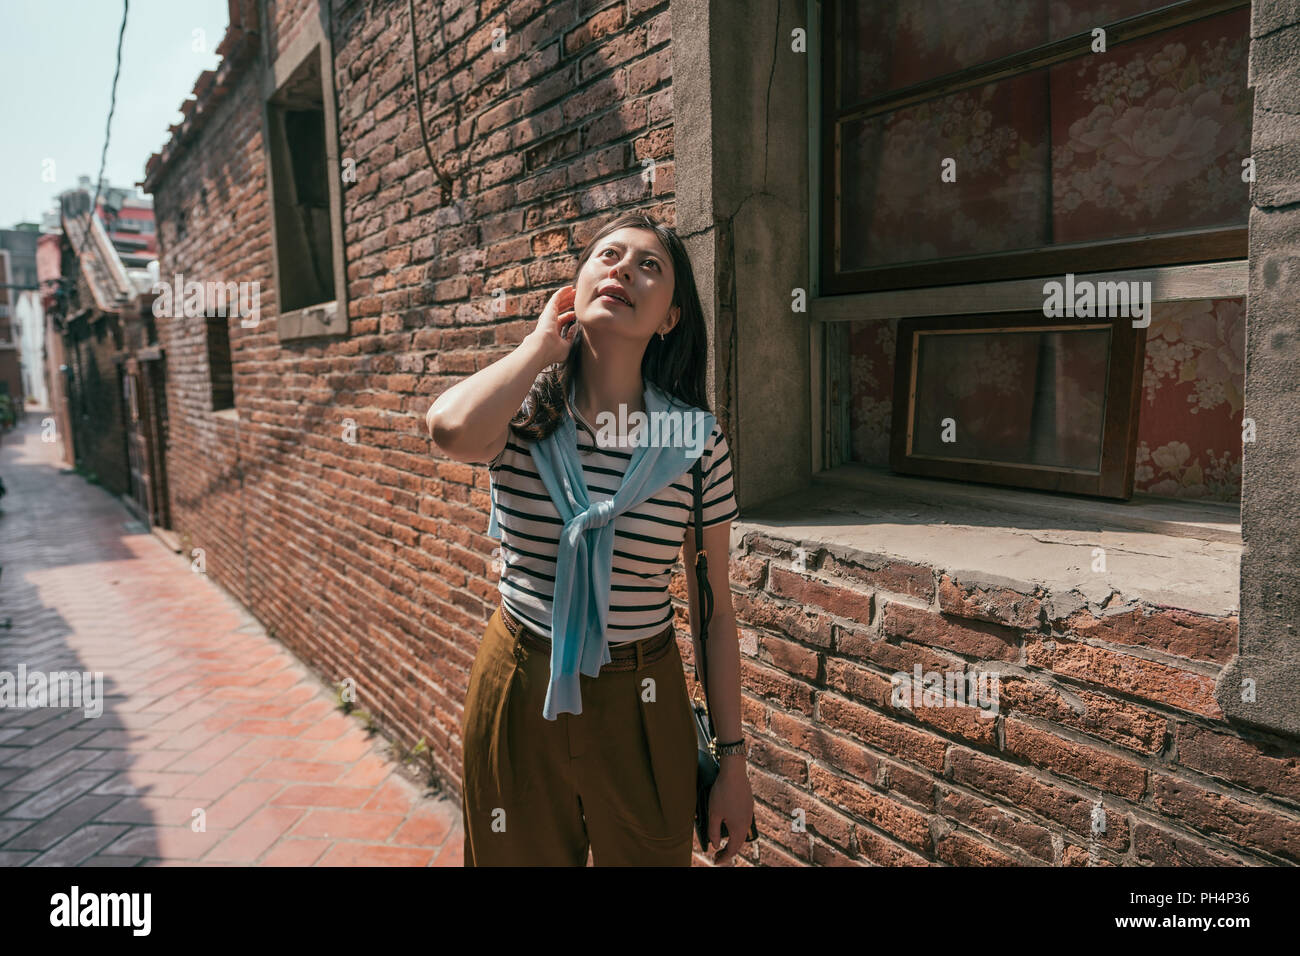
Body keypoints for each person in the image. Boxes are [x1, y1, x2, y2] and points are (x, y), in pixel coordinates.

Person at [427, 209, 753, 866]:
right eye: (607, 256)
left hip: (642, 697)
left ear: (670, 318)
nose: (623, 269)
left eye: (648, 265)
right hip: (522, 683)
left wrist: (735, 763)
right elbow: (447, 427)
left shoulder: (693, 443)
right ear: (574, 288)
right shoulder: (523, 411)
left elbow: (714, 615)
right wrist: (539, 349)